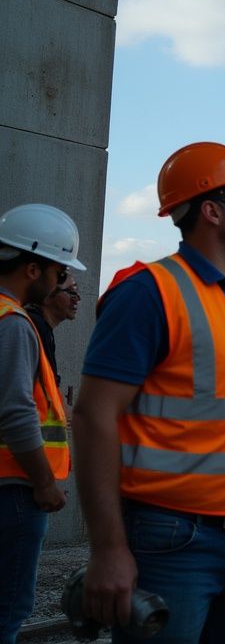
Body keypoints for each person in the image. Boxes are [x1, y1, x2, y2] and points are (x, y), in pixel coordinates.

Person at [73, 142, 225, 643]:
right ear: (212, 211)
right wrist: (108, 548)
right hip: (171, 540)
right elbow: (93, 417)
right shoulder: (150, 292)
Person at [0, 203, 84, 642]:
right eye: (59, 273)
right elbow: (15, 413)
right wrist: (44, 483)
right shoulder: (13, 323)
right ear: (33, 269)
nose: (62, 283)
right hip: (14, 488)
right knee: (8, 610)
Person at [24, 276, 80, 401]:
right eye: (70, 292)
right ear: (47, 295)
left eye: (77, 293)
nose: (76, 299)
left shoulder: (43, 329)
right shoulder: (33, 327)